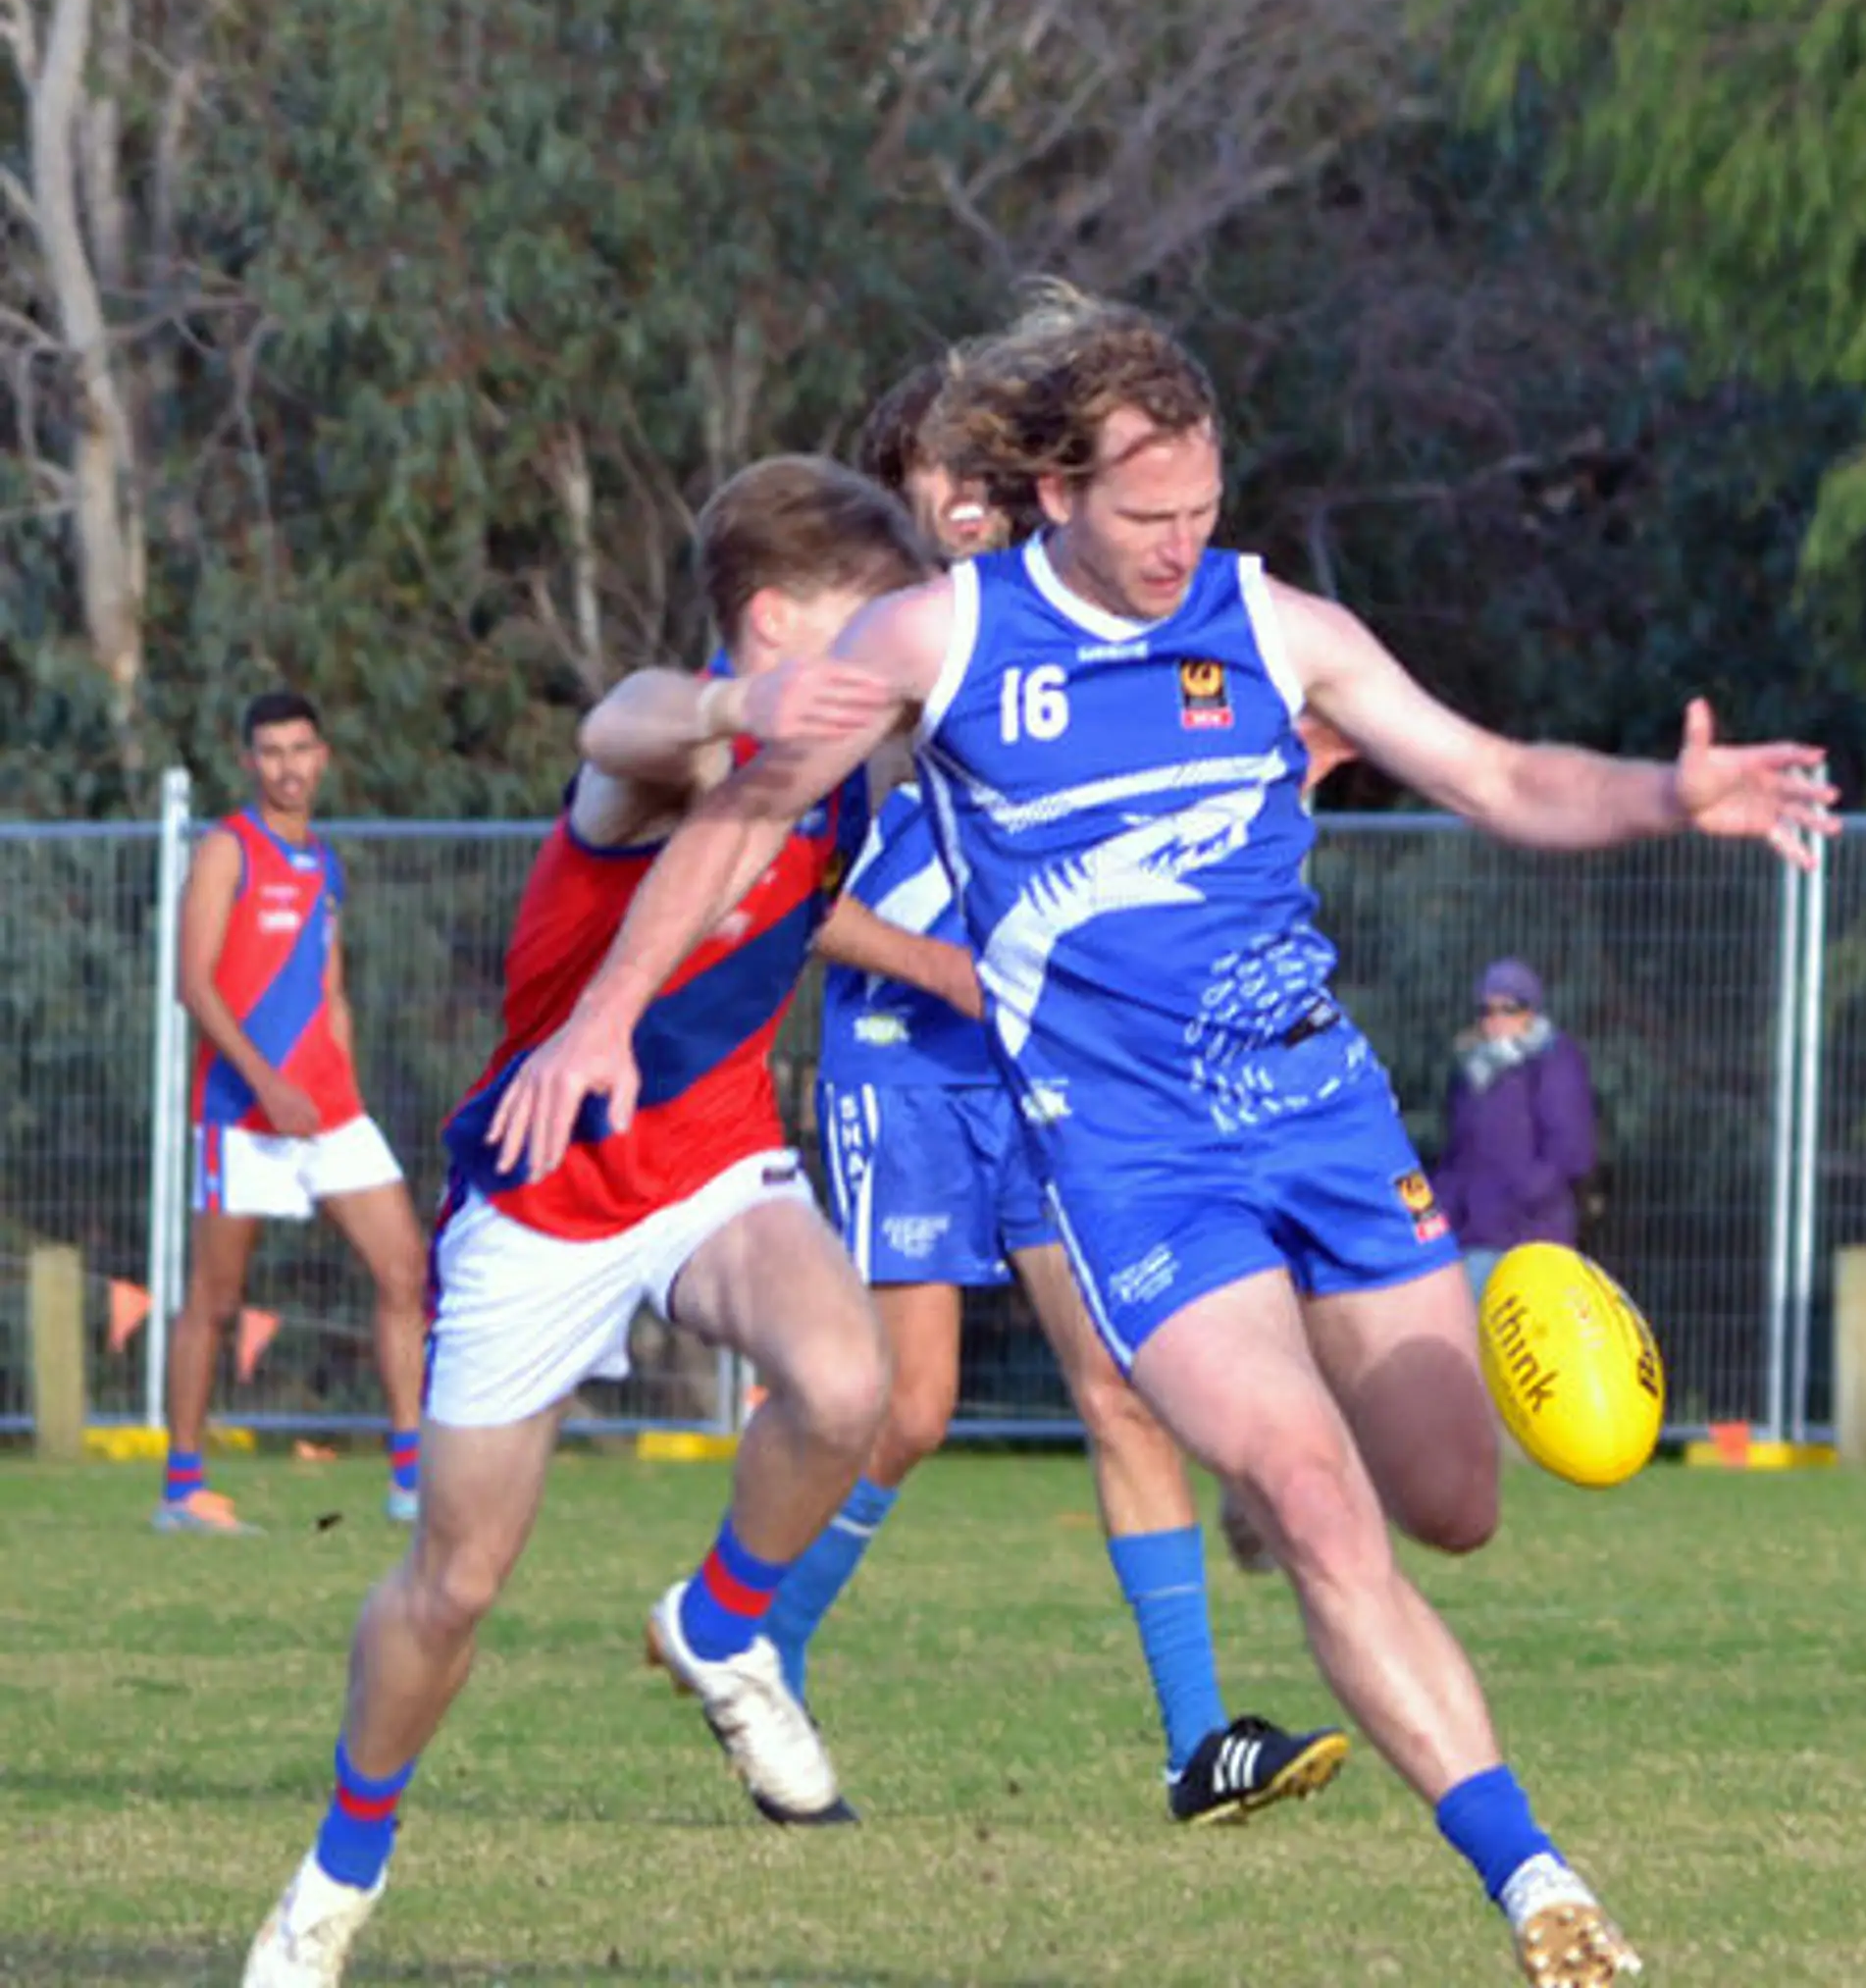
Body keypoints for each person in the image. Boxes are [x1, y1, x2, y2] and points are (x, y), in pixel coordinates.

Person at [486, 285, 1840, 1987]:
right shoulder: (943, 636)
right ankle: (1539, 1886)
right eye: (1144, 516)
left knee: (1450, 1504)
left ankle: (1468, 1329)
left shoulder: (1270, 625)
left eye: (1199, 510)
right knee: (1303, 1493)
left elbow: (1494, 776)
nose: (1176, 544)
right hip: (1136, 1169)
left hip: (1323, 1119)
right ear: (1054, 493)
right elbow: (736, 797)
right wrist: (606, 1013)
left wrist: (1663, 793)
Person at [241, 457, 949, 1986]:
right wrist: (725, 712)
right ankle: (340, 1869)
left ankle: (720, 1620)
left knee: (844, 1384)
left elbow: (791, 895)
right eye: (869, 621)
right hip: (546, 1193)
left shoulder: (843, 767)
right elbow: (613, 721)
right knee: (459, 1583)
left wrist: (947, 970)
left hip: (713, 1167)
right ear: (772, 624)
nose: (902, 651)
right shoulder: (674, 748)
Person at [768, 361, 1347, 1825]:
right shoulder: (891, 661)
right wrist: (943, 972)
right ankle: (755, 1642)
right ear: (895, 492)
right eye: (935, 479)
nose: (962, 504)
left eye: (981, 477)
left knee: (1122, 1391)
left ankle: (1198, 1743)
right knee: (908, 1410)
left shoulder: (1075, 643)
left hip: (1052, 1076)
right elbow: (790, 898)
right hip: (904, 1064)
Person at [155, 692, 429, 1536]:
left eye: (300, 748)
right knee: (216, 1297)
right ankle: (182, 1489)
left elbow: (329, 984)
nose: (287, 766)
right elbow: (193, 983)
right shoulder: (225, 851)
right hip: (244, 1112)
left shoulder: (327, 863)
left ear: (323, 756)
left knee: (404, 1272)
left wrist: (334, 1074)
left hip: (329, 1111)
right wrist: (268, 1083)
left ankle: (412, 1481)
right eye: (270, 751)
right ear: (250, 762)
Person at [1431, 960, 1598, 1302]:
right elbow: (1459, 1155)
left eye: (1509, 1008)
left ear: (1530, 1012)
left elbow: (1572, 1151)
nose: (1496, 1019)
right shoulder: (1472, 1071)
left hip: (1532, 1236)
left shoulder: (1554, 1063)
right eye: (1486, 1010)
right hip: (1473, 1233)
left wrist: (1529, 1191)